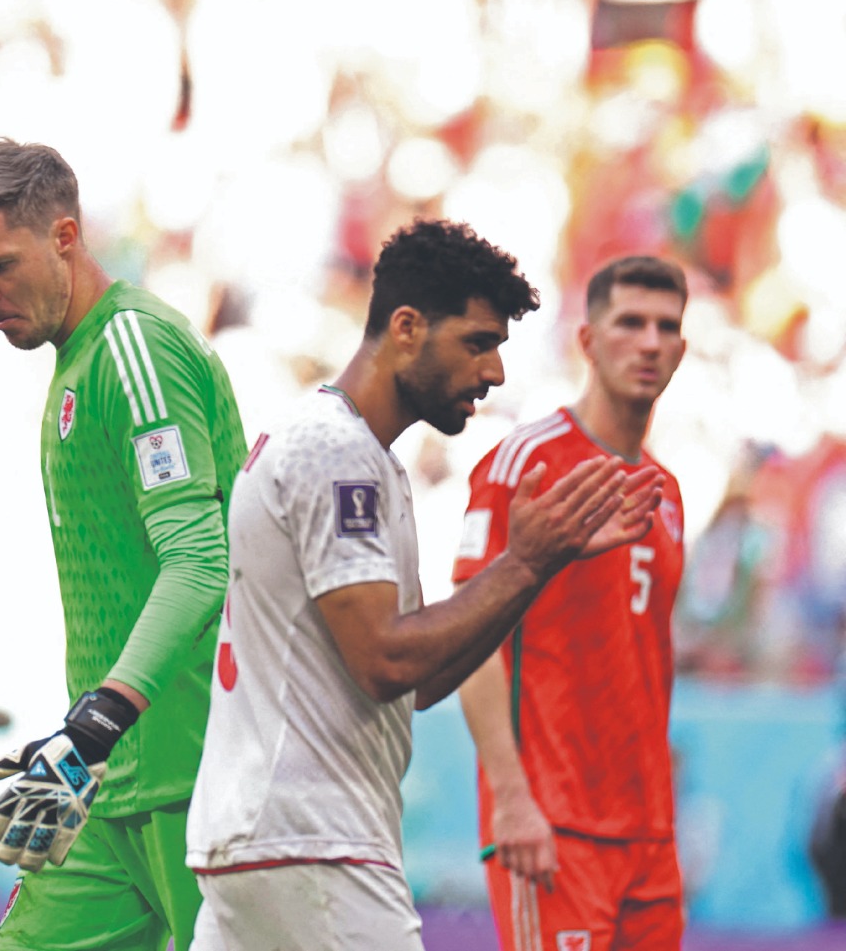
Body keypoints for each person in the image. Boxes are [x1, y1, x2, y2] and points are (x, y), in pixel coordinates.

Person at [185, 220, 665, 950]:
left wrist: (538, 568)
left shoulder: (354, 453)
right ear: (406, 328)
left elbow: (417, 681)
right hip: (313, 841)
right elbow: (387, 661)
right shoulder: (336, 452)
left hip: (265, 837)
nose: (495, 371)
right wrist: (524, 561)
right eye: (478, 342)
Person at [0, 137, 247, 951]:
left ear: (65, 236)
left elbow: (199, 560)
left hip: (193, 773)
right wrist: (80, 744)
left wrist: (98, 721)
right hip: (102, 780)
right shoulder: (77, 359)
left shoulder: (135, 348)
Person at [452, 256, 690, 950]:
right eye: (630, 323)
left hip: (648, 833)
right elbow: (469, 638)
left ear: (683, 348)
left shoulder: (667, 491)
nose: (649, 343)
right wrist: (511, 797)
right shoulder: (527, 462)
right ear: (587, 340)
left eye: (667, 327)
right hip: (552, 825)